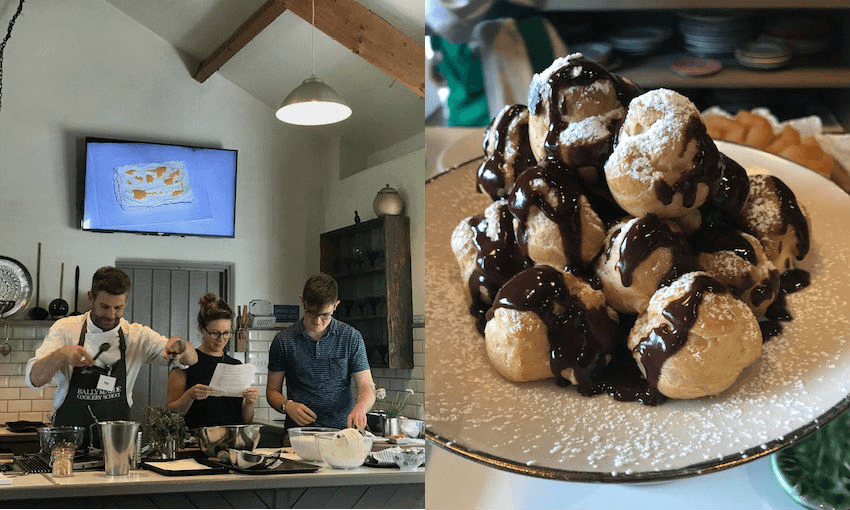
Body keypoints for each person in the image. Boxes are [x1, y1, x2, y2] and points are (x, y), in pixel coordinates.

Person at [26, 266, 197, 430]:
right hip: (70, 438)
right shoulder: (65, 328)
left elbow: (191, 359)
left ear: (126, 301)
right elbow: (35, 379)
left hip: (116, 439)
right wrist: (62, 355)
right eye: (104, 307)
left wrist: (180, 345)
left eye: (118, 308)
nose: (111, 315)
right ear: (91, 297)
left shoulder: (138, 335)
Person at [266, 273, 376, 430]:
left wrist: (360, 409)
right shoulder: (284, 341)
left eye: (325, 315)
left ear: (336, 305)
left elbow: (367, 386)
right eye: (311, 313)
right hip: (298, 434)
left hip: (342, 433)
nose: (318, 321)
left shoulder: (350, 337)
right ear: (303, 301)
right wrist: (286, 405)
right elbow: (272, 391)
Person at [166, 292, 259, 429]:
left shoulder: (236, 366)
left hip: (230, 442)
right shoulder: (185, 365)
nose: (221, 339)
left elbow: (246, 420)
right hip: (195, 442)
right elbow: (169, 414)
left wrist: (249, 403)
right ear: (201, 329)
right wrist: (189, 395)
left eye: (227, 333)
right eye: (215, 333)